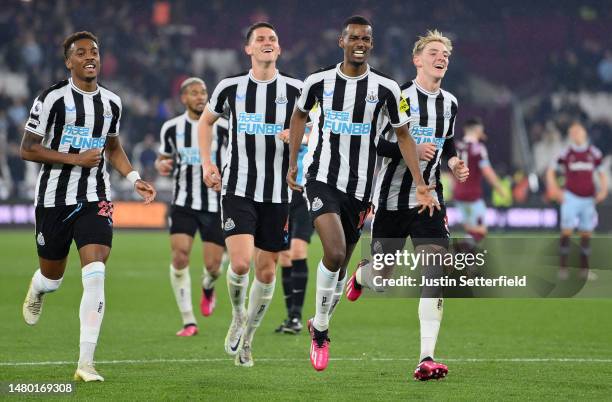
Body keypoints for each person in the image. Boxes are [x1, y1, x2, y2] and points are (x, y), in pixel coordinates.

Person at [288, 16, 438, 372]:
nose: (360, 42)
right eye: (354, 37)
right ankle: (321, 332)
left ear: (371, 44)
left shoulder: (387, 89)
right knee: (335, 253)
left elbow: (403, 136)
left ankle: (319, 321)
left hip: (360, 190)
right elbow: (298, 117)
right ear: (342, 41)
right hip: (321, 178)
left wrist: (419, 181)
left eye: (366, 38)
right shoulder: (318, 81)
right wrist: (293, 164)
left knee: (340, 273)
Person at [20, 31, 156, 382]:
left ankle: (85, 362)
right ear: (69, 62)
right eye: (80, 53)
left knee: (95, 272)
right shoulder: (51, 99)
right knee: (53, 277)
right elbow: (28, 148)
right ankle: (39, 287)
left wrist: (133, 177)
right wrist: (74, 159)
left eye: (94, 51)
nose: (89, 56)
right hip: (53, 199)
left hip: (95, 197)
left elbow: (112, 148)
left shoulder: (112, 102)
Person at [345, 29, 469, 381]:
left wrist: (455, 161)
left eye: (444, 53)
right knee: (382, 277)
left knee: (435, 270)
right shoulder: (397, 97)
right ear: (417, 59)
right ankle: (362, 275)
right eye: (432, 52)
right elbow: (376, 142)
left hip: (429, 198)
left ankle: (426, 357)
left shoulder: (451, 103)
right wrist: (411, 149)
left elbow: (446, 143)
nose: (440, 57)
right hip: (391, 200)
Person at [198, 22, 303, 367]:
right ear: (248, 49)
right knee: (241, 263)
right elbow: (205, 123)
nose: (267, 42)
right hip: (239, 188)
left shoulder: (297, 89)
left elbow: (318, 126)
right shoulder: (230, 88)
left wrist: (297, 132)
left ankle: (249, 339)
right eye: (260, 39)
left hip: (278, 193)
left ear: (279, 49)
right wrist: (206, 163)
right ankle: (238, 316)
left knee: (268, 272)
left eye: (273, 38)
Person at [155, 77, 228, 336]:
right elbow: (163, 159)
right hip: (183, 203)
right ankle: (188, 320)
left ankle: (208, 286)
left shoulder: (223, 127)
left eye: (203, 93)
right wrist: (161, 165)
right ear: (184, 98)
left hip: (214, 204)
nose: (200, 97)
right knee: (180, 256)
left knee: (214, 267)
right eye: (194, 93)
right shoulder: (172, 128)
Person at [546, 121, 608, 280]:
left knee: (586, 233)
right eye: (572, 132)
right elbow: (550, 170)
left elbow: (602, 174)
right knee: (566, 231)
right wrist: (554, 189)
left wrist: (604, 190)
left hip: (588, 199)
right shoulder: (566, 153)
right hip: (570, 197)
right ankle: (563, 268)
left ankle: (584, 270)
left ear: (584, 133)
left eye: (578, 131)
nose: (575, 135)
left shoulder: (594, 153)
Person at [275, 112, 316, 334]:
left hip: (304, 193)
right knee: (284, 256)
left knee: (298, 251)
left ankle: (297, 317)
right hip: (280, 195)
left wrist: (298, 136)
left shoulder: (317, 123)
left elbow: (321, 141)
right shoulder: (280, 124)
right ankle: (291, 316)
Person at [453, 117, 508, 251]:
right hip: (473, 195)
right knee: (481, 231)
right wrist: (500, 188)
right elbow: (487, 171)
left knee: (470, 231)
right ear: (478, 130)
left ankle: (469, 265)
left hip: (458, 194)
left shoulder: (457, 146)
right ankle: (453, 252)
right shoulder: (478, 148)